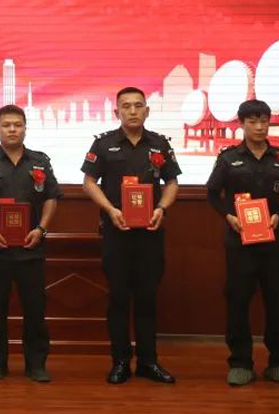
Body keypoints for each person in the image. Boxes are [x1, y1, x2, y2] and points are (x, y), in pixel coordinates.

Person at [81, 86, 180, 384]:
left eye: (138, 105)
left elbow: (172, 183)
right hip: (117, 233)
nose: (133, 111)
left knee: (148, 299)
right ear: (117, 112)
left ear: (147, 111)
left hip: (150, 233)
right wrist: (110, 210)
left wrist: (162, 208)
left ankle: (148, 362)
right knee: (119, 299)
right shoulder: (104, 144)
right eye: (126, 106)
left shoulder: (159, 144)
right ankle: (121, 361)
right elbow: (88, 182)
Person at [206, 99, 279, 387]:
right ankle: (240, 363)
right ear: (241, 124)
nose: (259, 127)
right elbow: (212, 193)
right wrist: (228, 216)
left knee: (277, 301)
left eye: (264, 121)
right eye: (252, 122)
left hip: (273, 243)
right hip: (239, 243)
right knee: (238, 301)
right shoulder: (228, 159)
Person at [0, 105, 60, 382]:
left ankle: (36, 365)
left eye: (17, 125)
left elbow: (51, 197)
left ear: (25, 128)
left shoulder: (40, 162)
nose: (12, 129)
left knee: (35, 310)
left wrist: (41, 229)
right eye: (6, 125)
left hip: (32, 250)